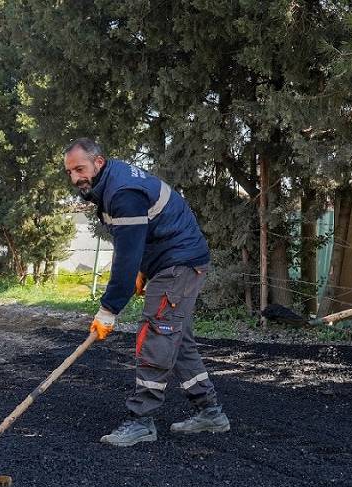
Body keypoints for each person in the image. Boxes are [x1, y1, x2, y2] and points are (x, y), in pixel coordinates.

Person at [64, 138, 230, 446]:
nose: (75, 178)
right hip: (173, 261)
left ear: (99, 162)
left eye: (80, 169)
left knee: (155, 335)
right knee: (177, 339)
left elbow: (125, 258)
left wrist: (109, 309)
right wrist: (143, 269)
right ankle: (210, 413)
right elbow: (139, 238)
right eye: (70, 172)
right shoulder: (112, 183)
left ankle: (141, 420)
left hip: (178, 264)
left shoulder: (122, 193)